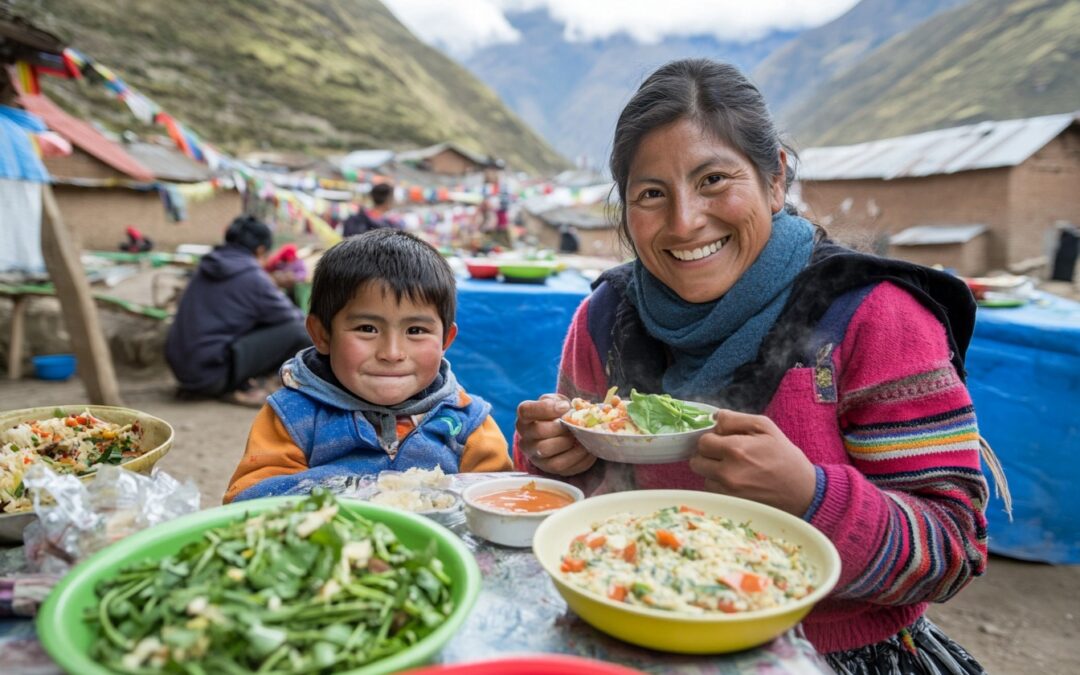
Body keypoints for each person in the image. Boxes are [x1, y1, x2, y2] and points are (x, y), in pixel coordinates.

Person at [514, 59, 997, 674]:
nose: (685, 221)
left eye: (714, 179)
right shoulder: (607, 319)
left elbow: (953, 547)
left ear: (775, 180)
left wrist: (810, 497)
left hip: (836, 658)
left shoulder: (873, 316)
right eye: (651, 194)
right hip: (625, 640)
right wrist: (551, 458)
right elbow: (568, 512)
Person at [224, 229, 512, 503]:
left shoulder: (469, 425)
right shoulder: (292, 417)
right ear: (322, 335)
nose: (392, 353)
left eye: (415, 331)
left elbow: (498, 504)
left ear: (445, 340)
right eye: (367, 328)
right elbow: (247, 501)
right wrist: (363, 492)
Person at [166, 215, 310, 407]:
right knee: (303, 330)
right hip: (212, 376)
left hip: (184, 371)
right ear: (260, 250)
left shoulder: (208, 265)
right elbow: (293, 317)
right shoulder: (252, 276)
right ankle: (258, 385)